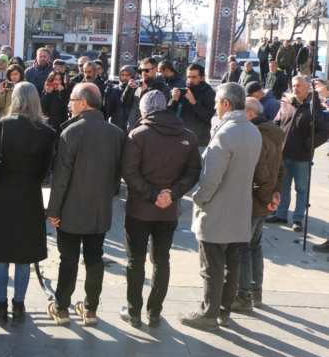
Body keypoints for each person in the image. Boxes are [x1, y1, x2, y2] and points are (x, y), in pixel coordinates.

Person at [177, 83, 262, 331]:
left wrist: (198, 198)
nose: (215, 106)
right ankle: (224, 310)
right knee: (231, 264)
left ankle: (208, 313)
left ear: (226, 104)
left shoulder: (226, 133)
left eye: (216, 102)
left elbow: (212, 178)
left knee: (211, 265)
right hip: (240, 209)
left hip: (217, 210)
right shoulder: (252, 131)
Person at [119, 91, 201, 328]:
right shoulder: (188, 136)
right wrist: (171, 194)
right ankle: (154, 312)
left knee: (135, 260)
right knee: (161, 260)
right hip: (169, 211)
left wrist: (155, 195)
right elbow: (193, 172)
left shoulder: (138, 135)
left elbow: (130, 173)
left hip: (139, 209)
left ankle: (134, 312)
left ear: (144, 110)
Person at [46, 83, 126, 326]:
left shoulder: (71, 133)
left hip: (71, 208)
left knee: (68, 260)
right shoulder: (116, 133)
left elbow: (61, 179)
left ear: (84, 102)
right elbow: (116, 177)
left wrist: (53, 211)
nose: (69, 104)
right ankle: (90, 309)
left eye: (72, 99)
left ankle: (61, 308)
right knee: (95, 259)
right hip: (100, 208)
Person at [0, 82, 57, 324]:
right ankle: (19, 306)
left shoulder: (2, 126)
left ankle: (0, 305)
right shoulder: (46, 132)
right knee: (24, 255)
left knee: (1, 253)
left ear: (15, 98)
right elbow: (45, 171)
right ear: (36, 100)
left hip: (2, 192)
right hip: (29, 193)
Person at [231, 97, 285, 312]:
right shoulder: (273, 133)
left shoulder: (257, 135)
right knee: (255, 246)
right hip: (265, 200)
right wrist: (276, 194)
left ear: (250, 114)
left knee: (245, 248)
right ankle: (255, 292)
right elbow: (280, 168)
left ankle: (244, 296)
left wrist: (268, 198)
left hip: (256, 201)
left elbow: (260, 172)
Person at [267, 75, 329, 232]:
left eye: (299, 85)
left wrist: (310, 144)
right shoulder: (287, 104)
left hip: (301, 156)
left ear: (308, 87)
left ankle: (298, 218)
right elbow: (276, 123)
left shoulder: (315, 108)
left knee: (301, 189)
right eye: (294, 85)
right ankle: (281, 214)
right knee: (283, 186)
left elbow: (324, 131)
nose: (295, 88)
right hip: (283, 154)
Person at [167, 64, 216, 149]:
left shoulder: (209, 93)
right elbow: (169, 113)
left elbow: (207, 116)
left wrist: (194, 102)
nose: (190, 80)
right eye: (188, 77)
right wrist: (174, 100)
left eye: (194, 77)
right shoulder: (183, 89)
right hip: (180, 136)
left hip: (198, 141)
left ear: (202, 77)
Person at [123, 57, 170, 133]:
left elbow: (160, 111)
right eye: (141, 70)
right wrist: (129, 89)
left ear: (155, 70)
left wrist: (146, 92)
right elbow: (125, 104)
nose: (144, 73)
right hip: (132, 128)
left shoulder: (163, 88)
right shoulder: (137, 84)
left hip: (151, 130)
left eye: (147, 70)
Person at [40, 70, 71, 134]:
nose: (57, 82)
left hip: (61, 124)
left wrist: (62, 92)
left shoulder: (65, 91)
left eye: (59, 79)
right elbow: (42, 107)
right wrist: (47, 94)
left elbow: (65, 106)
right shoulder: (45, 91)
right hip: (49, 124)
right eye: (55, 79)